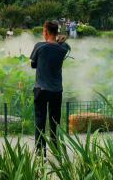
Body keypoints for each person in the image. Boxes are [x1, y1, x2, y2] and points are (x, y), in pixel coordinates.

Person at [30, 20, 70, 154]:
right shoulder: (63, 48)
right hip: (57, 90)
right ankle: (56, 149)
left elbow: (33, 64)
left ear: (46, 32)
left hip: (41, 89)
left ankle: (40, 152)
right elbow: (65, 45)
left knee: (40, 121)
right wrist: (59, 40)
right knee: (55, 121)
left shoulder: (40, 46)